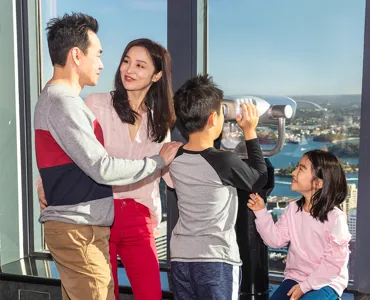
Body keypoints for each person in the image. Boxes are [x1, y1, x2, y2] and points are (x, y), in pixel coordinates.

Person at [34, 13, 180, 300]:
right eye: (126, 61)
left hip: (135, 217)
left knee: (142, 293)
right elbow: (88, 160)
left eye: (140, 65)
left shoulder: (159, 121)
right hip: (100, 212)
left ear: (157, 75)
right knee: (99, 291)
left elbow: (170, 177)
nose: (127, 69)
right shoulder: (91, 104)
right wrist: (44, 185)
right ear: (78, 55)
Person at [168, 74, 268, 300]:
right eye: (223, 112)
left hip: (181, 257)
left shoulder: (175, 157)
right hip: (216, 259)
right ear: (213, 118)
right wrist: (250, 131)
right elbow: (258, 178)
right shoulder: (224, 162)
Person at [247, 150, 351, 300]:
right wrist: (261, 211)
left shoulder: (336, 218)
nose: (293, 173)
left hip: (326, 281)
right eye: (296, 167)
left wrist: (305, 287)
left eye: (301, 169)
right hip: (295, 277)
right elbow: (275, 240)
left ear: (318, 183)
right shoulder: (293, 209)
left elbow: (333, 265)